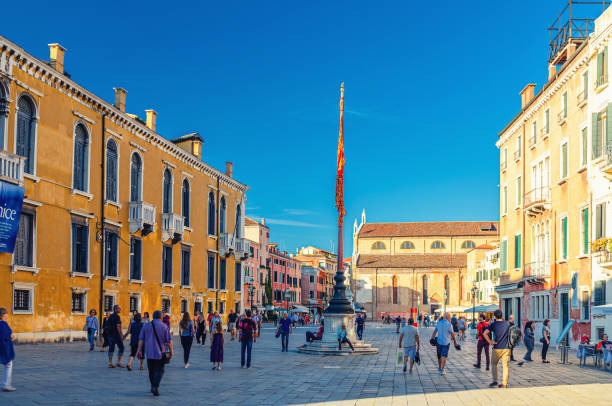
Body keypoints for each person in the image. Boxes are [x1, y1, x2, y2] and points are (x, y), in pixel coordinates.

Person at [137, 310, 173, 397]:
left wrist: (139, 350)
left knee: (151, 371)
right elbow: (169, 341)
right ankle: (155, 386)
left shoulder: (146, 326)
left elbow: (141, 339)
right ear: (161, 317)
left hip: (149, 352)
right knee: (160, 370)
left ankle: (152, 385)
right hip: (160, 353)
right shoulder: (164, 326)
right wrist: (171, 352)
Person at [483, 309, 511, 388]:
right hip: (506, 348)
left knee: (494, 363)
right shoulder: (507, 323)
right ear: (502, 315)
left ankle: (495, 380)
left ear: (495, 316)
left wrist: (490, 342)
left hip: (497, 347)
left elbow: (484, 333)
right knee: (505, 366)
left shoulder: (493, 324)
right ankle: (504, 384)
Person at [0, 308, 15, 392]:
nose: (7, 315)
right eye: (6, 314)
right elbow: (4, 336)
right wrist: (10, 336)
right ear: (3, 315)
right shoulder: (3, 324)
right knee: (9, 363)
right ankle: (6, 384)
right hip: (2, 348)